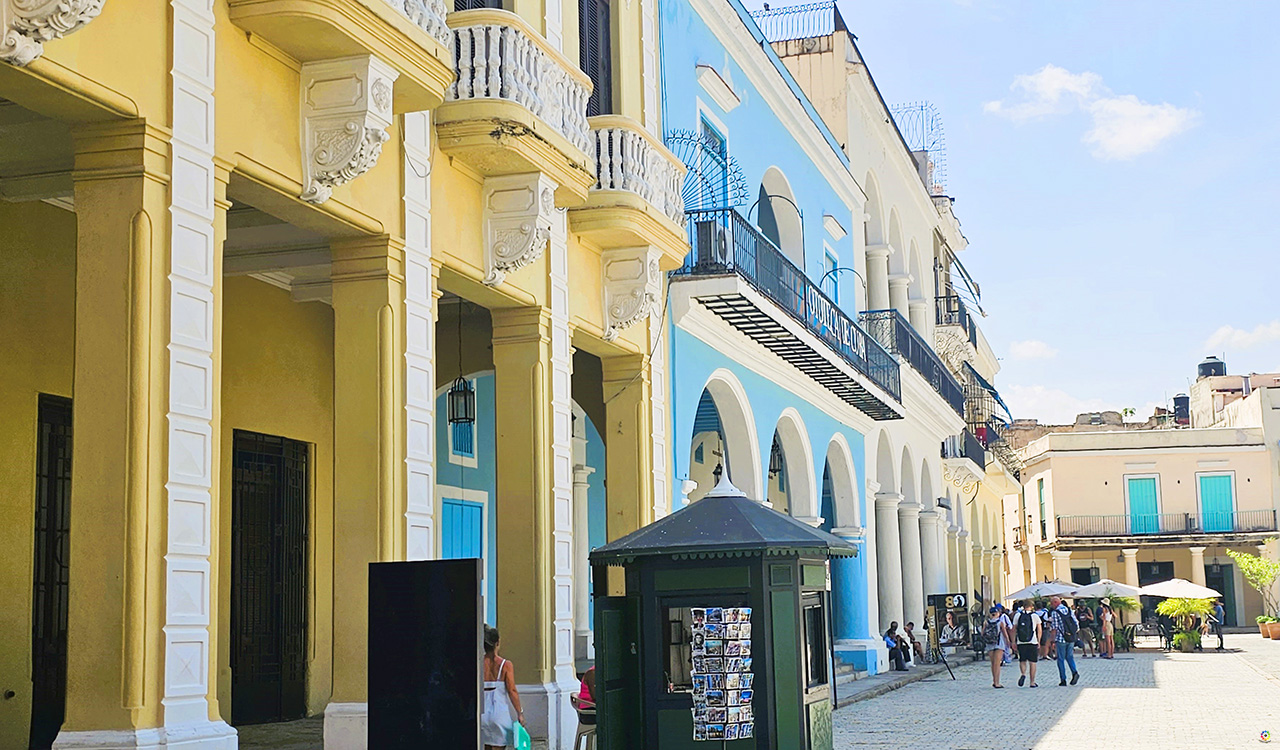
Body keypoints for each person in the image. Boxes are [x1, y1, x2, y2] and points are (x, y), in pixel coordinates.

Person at [481, 625, 524, 749]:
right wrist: (520, 713)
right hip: (499, 715)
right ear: (497, 643)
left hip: (482, 714)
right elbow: (512, 690)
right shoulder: (505, 665)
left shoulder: (479, 663)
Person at [1048, 595, 1080, 687]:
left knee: (1060, 659)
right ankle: (1074, 672)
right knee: (1070, 657)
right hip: (1071, 638)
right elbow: (1076, 623)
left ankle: (1063, 679)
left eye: (1051, 604)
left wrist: (1052, 641)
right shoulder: (1069, 610)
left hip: (1061, 638)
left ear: (1055, 603)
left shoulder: (1055, 612)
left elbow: (1054, 628)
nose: (1051, 606)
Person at [1012, 599, 1042, 687]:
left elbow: (1013, 629)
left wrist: (1013, 641)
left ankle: (1023, 674)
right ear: (1032, 606)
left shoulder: (1018, 615)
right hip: (1032, 641)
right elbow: (1039, 630)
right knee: (1033, 662)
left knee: (1022, 660)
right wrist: (1038, 641)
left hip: (1021, 642)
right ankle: (1032, 682)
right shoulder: (1035, 616)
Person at [982, 606, 1011, 688]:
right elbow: (1005, 633)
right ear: (998, 613)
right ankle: (997, 682)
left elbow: (982, 633)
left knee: (993, 663)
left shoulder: (986, 622)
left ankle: (994, 680)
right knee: (997, 663)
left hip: (989, 644)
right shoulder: (1000, 622)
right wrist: (1008, 641)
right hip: (999, 643)